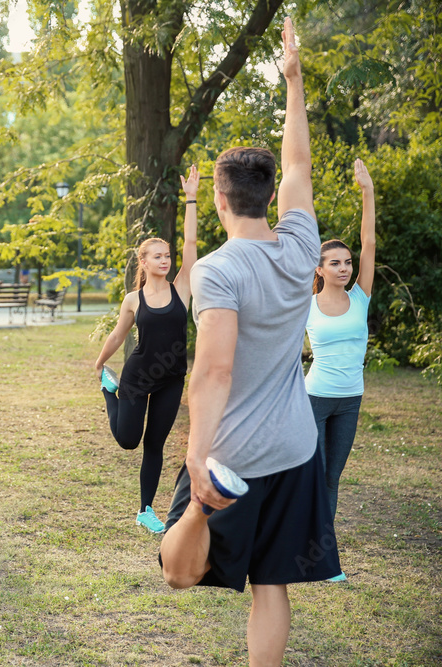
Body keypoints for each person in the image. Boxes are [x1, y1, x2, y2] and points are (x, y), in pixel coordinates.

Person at [159, 18, 340, 666]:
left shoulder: (218, 269)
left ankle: (199, 516)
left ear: (218, 197)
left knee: (179, 571)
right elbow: (299, 162)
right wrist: (293, 81)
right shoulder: (300, 247)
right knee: (272, 584)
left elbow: (213, 371)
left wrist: (197, 456)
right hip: (295, 447)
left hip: (231, 450)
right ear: (269, 197)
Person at [93, 166, 200, 533]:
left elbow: (190, 245)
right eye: (157, 256)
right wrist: (101, 361)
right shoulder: (133, 299)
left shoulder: (182, 286)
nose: (165, 260)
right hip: (138, 377)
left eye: (166, 255)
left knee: (155, 443)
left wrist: (191, 199)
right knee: (128, 441)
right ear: (143, 262)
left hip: (172, 378)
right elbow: (118, 335)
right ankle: (111, 392)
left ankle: (145, 509)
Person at [306, 159, 376, 526]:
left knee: (332, 478)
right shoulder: (307, 305)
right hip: (314, 398)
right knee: (312, 476)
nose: (344, 268)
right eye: (334, 263)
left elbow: (369, 241)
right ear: (319, 269)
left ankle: (323, 546)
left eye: (347, 262)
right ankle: (298, 536)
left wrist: (368, 192)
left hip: (350, 398)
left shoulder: (361, 297)